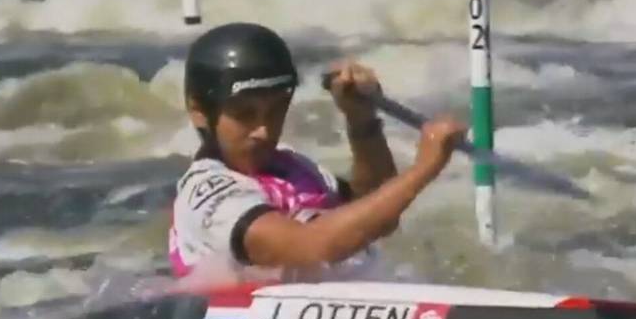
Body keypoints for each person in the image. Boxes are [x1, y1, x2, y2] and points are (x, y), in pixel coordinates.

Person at [169, 22, 467, 283]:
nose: (264, 130)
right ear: (198, 112)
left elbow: (377, 216)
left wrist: (361, 121)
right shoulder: (208, 194)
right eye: (245, 114)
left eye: (275, 112)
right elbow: (311, 247)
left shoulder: (289, 165)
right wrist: (423, 170)